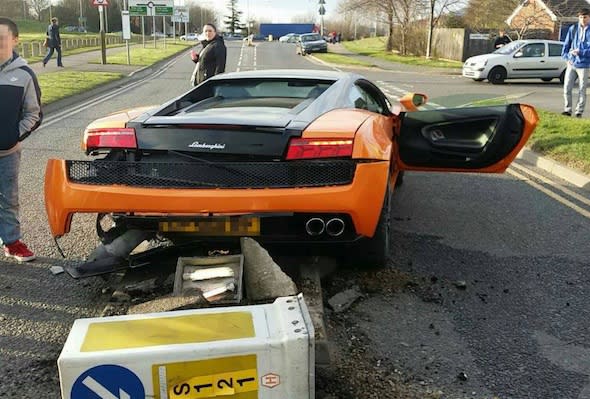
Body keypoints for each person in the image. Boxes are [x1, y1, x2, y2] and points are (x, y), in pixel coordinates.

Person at [0, 17, 42, 262]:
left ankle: (12, 241)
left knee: (8, 198)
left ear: (14, 40)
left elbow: (34, 113)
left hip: (7, 152)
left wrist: (13, 137)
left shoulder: (24, 75)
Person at [561, 8, 590, 118]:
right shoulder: (573, 29)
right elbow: (566, 45)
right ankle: (567, 109)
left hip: (584, 65)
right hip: (572, 63)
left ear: (589, 17)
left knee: (582, 89)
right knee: (567, 87)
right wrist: (567, 57)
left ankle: (579, 111)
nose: (583, 19)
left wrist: (581, 52)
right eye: (581, 17)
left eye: (585, 17)